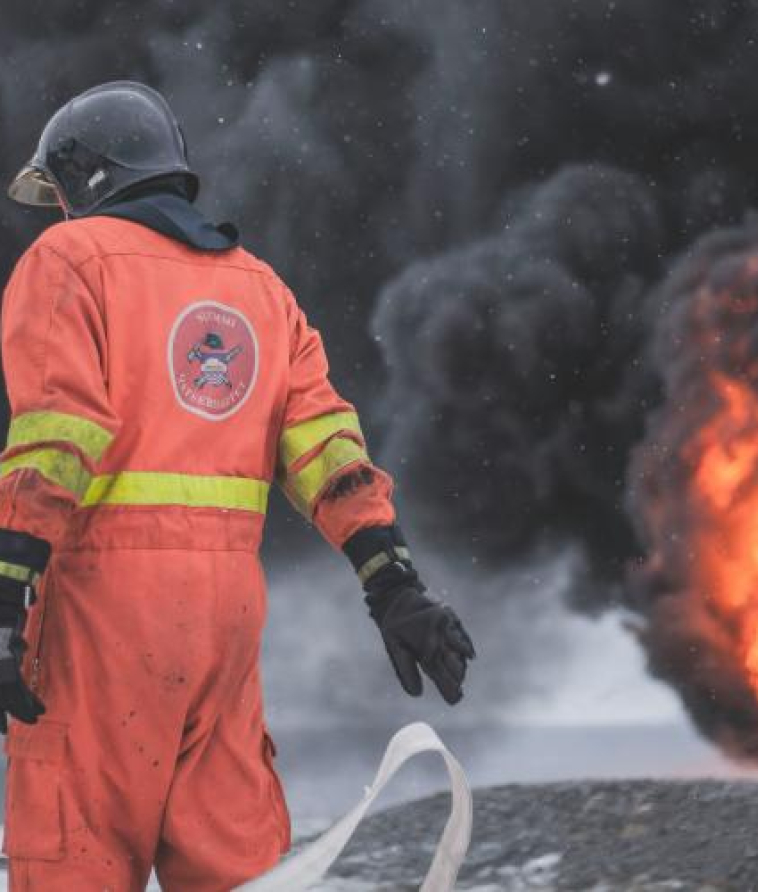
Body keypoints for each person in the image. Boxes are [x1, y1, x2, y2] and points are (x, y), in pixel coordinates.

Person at [0, 81, 475, 891]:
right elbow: (330, 453)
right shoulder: (261, 288)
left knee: (77, 855)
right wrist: (392, 583)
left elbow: (56, 440)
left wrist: (8, 594)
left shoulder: (67, 260)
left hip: (97, 612)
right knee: (233, 866)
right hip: (225, 619)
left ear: (85, 179)